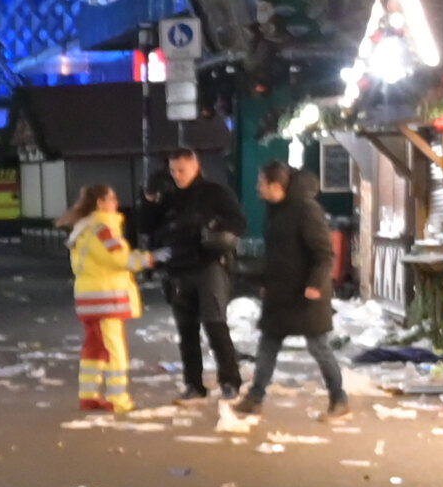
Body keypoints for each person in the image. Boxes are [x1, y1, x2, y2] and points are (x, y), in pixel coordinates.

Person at [135, 148, 244, 404]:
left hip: (208, 265)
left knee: (215, 325)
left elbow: (239, 223)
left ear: (196, 165)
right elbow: (143, 226)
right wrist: (150, 200)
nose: (177, 175)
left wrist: (212, 225)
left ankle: (230, 381)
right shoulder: (167, 195)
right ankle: (193, 384)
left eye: (182, 170)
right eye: (173, 170)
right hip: (176, 268)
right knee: (187, 331)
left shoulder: (214, 193)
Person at [249, 165, 350, 417]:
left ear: (276, 186)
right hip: (280, 293)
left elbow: (325, 253)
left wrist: (315, 285)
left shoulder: (306, 210)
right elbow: (275, 253)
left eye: (261, 183)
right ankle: (255, 396)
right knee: (268, 343)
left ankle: (339, 399)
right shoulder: (274, 210)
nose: (257, 188)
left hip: (306, 294)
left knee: (319, 347)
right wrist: (266, 281)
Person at [61, 178, 147, 415]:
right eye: (113, 198)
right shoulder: (103, 228)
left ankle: (88, 395)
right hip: (106, 299)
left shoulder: (84, 228)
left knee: (95, 348)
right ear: (101, 203)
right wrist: (149, 259)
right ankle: (120, 398)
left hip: (89, 299)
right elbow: (120, 259)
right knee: (114, 349)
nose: (117, 203)